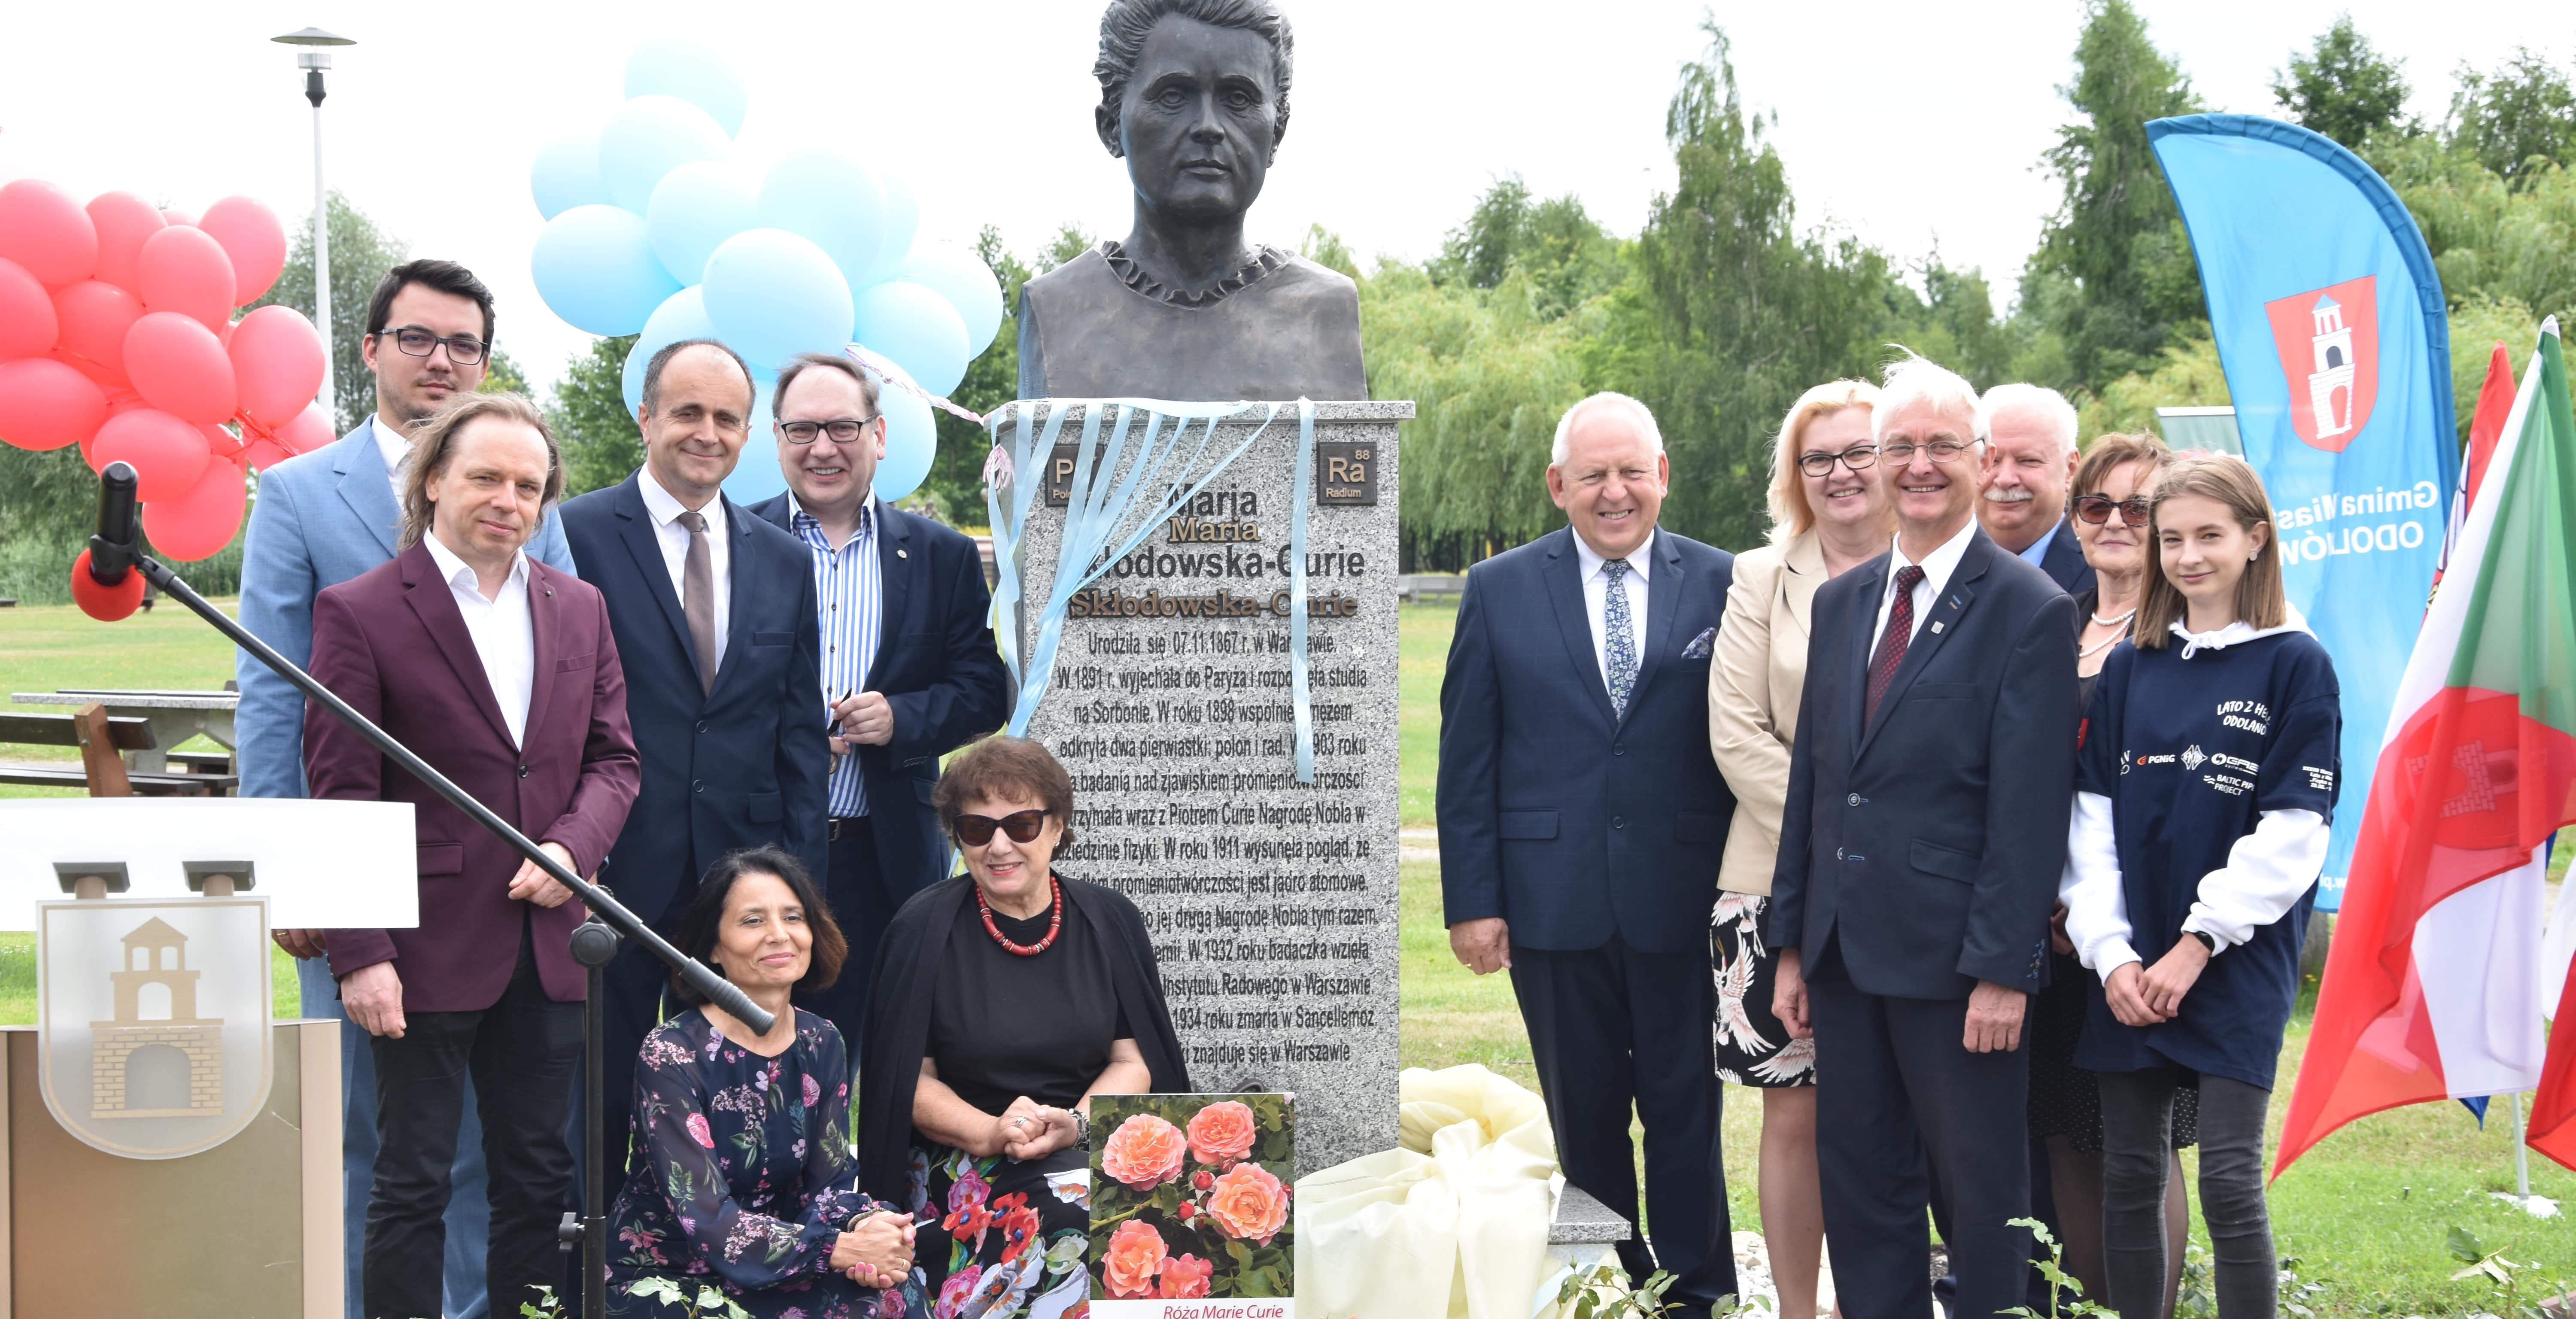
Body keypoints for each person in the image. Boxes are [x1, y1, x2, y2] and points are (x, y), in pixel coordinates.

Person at [243, 258, 576, 1319]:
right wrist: (301, 874)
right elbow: (271, 693)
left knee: (500, 1138)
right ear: (372, 348)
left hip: (512, 890)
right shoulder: (300, 494)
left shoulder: (522, 483)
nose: (443, 360)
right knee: (380, 1135)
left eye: (464, 345)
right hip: (370, 892)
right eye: (419, 338)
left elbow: (558, 670)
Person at [303, 393, 640, 1319]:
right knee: (410, 1183)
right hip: (420, 953)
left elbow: (615, 759)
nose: (509, 498)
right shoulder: (362, 612)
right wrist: (361, 953)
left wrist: (572, 846)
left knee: (537, 1179)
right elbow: (340, 794)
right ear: (435, 481)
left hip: (551, 944)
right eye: (487, 476)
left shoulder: (580, 608)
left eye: (529, 485)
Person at [1767, 355, 2075, 1319]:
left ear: (1981, 461)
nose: (1919, 465)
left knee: (1983, 1199)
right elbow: (1819, 785)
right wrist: (1792, 943)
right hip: (1846, 956)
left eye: (1943, 445)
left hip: (1957, 970)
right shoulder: (1843, 601)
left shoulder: (2032, 611)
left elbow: (2029, 813)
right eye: (1898, 446)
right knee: (1864, 1192)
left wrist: (2003, 970)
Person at [1440, 393, 1740, 1316]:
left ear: (1663, 477)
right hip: (1550, 898)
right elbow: (1469, 756)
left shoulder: (1727, 583)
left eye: (1632, 472)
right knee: (1586, 1117)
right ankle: (1606, 1285)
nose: (1616, 493)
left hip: (1685, 895)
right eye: (1594, 475)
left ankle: (1699, 1294)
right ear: (1557, 486)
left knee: (1688, 1114)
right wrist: (1473, 901)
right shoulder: (1500, 589)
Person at [2062, 455, 2338, 1319]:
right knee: (2133, 1176)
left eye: (2209, 536)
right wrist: (2110, 954)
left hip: (2232, 963)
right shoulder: (2133, 667)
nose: (2188, 557)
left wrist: (2197, 944)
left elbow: (2295, 832)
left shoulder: (2296, 663)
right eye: (2171, 538)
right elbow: (2091, 824)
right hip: (2130, 965)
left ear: (2256, 540)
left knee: (2227, 1182)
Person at [557, 338, 830, 1210]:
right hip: (613, 865)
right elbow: (553, 709)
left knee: (741, 1103)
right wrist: (572, 845)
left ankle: (735, 1276)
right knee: (594, 1090)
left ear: (747, 432)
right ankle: (591, 1283)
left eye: (725, 418)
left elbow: (796, 728)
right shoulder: (576, 535)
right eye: (687, 412)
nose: (705, 433)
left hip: (738, 879)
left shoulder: (784, 558)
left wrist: (797, 883)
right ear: (646, 417)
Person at [858, 736, 1190, 1317]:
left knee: (1147, 1214)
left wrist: (1077, 1128)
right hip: (964, 1155)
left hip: (1089, 1138)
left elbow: (1134, 1057)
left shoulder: (1110, 920)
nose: (1001, 845)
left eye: (1023, 824)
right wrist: (991, 1133)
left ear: (1058, 827)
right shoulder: (923, 928)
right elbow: (907, 1080)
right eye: (978, 829)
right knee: (1069, 1215)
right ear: (957, 836)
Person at [742, 353, 1012, 1047]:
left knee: (889, 1059)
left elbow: (985, 690)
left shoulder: (940, 555)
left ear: (880, 435)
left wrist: (902, 718)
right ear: (775, 439)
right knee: (756, 1061)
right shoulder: (733, 546)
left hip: (884, 856)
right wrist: (789, 731)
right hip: (756, 847)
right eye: (802, 429)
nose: (823, 447)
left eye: (842, 427)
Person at [1707, 378, 1889, 1319]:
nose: (1842, 473)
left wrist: (1882, 845)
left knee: (1895, 1111)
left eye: (1862, 451)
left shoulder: (1937, 571)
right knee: (1796, 1111)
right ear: (1796, 474)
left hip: (1908, 885)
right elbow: (1737, 732)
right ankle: (1795, 1309)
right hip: (1771, 877)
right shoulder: (1758, 577)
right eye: (1820, 457)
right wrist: (1848, 837)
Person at [2026, 433, 2195, 1309]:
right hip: (2044, 934)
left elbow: (2185, 798)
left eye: (2141, 506)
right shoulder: (2052, 619)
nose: (2118, 522)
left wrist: (2103, 910)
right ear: (2076, 519)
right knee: (2064, 1137)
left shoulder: (2188, 637)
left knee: (2138, 1141)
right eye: (2100, 506)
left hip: (2137, 933)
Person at [606, 846, 921, 1318]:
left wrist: (870, 1226)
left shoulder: (821, 1040)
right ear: (713, 946)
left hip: (790, 1261)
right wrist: (837, 1249)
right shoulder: (671, 1052)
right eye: (753, 921)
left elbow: (830, 1185)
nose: (779, 935)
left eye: (793, 917)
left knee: (894, 1292)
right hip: (676, 1276)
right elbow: (709, 1219)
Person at [1016, 0, 1366, 401]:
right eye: (1172, 96)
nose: (1208, 127)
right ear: (1111, 127)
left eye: (1238, 99)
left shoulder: (1325, 309)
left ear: (1278, 135)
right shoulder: (1058, 307)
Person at [1976, 384, 2093, 595]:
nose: (2005, 480)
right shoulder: (1934, 565)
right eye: (1992, 461)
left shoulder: (2106, 575)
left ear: (2070, 469)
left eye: (2028, 460)